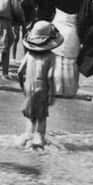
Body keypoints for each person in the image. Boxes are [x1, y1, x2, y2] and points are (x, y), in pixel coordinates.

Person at [17, 20, 61, 149]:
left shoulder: (29, 54)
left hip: (28, 86)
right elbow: (50, 76)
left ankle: (27, 138)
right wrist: (52, 94)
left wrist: (22, 86)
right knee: (41, 116)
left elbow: (20, 72)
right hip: (42, 88)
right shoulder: (52, 57)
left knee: (30, 116)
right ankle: (39, 139)